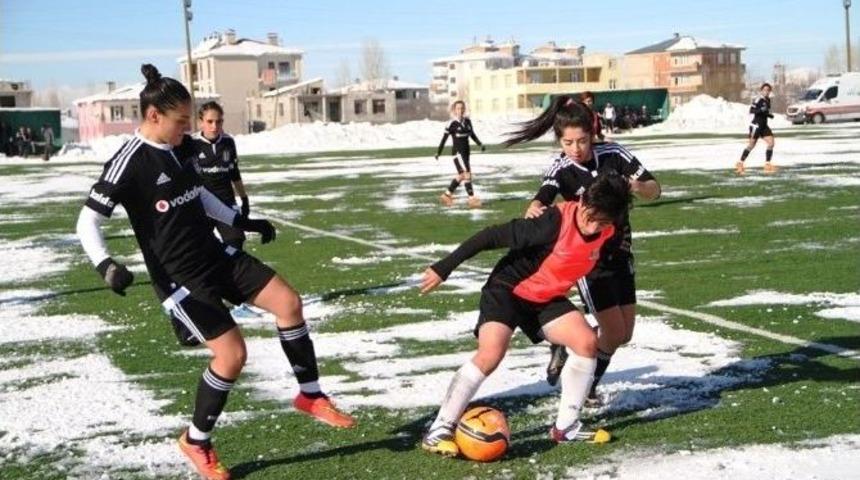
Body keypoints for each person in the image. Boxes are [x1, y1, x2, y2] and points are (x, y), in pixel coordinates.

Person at [75, 64, 355, 480]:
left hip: (215, 254)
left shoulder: (182, 148)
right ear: (154, 117)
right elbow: (86, 222)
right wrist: (106, 265)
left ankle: (310, 396)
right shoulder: (129, 162)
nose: (187, 129)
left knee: (288, 303)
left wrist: (240, 222)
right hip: (180, 279)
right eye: (181, 121)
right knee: (232, 355)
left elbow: (199, 194)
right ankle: (196, 441)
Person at [420, 172, 631, 456]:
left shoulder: (609, 232)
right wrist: (443, 268)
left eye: (603, 222)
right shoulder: (552, 222)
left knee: (585, 342)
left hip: (545, 298)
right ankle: (439, 429)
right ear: (581, 200)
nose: (593, 226)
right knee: (491, 353)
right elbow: (491, 235)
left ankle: (566, 428)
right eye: (589, 217)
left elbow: (595, 264)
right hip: (508, 290)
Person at [508, 95, 661, 405]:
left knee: (622, 334)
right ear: (559, 141)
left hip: (621, 254)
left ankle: (566, 346)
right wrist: (535, 209)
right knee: (613, 332)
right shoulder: (561, 168)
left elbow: (655, 190)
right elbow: (541, 199)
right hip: (589, 262)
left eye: (581, 141)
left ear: (592, 134)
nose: (575, 149)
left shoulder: (614, 155)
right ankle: (586, 386)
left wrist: (632, 185)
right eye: (567, 142)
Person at [435, 100, 485, 208]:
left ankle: (447, 194)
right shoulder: (451, 124)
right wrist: (438, 152)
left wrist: (480, 144)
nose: (460, 110)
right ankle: (472, 199)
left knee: (462, 175)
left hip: (466, 153)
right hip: (457, 153)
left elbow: (472, 135)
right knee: (467, 174)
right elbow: (444, 139)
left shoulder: (467, 121)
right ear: (454, 110)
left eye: (462, 108)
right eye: (458, 108)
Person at [736, 83, 776, 175]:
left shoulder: (768, 100)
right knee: (751, 145)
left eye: (768, 90)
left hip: (764, 126)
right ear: (761, 91)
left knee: (771, 143)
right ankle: (740, 163)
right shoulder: (758, 99)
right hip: (756, 125)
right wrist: (760, 110)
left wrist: (769, 115)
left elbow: (764, 112)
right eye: (765, 90)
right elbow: (751, 110)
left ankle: (767, 164)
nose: (766, 91)